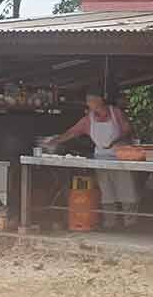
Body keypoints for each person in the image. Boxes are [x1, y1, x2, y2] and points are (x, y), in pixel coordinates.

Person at [45, 93, 141, 229]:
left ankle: (130, 224)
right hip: (100, 158)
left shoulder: (115, 113)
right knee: (107, 192)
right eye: (88, 101)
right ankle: (110, 224)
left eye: (91, 100)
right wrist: (53, 141)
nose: (88, 104)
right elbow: (72, 132)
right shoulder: (88, 119)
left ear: (100, 100)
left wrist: (115, 141)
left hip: (120, 156)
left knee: (126, 190)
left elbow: (127, 130)